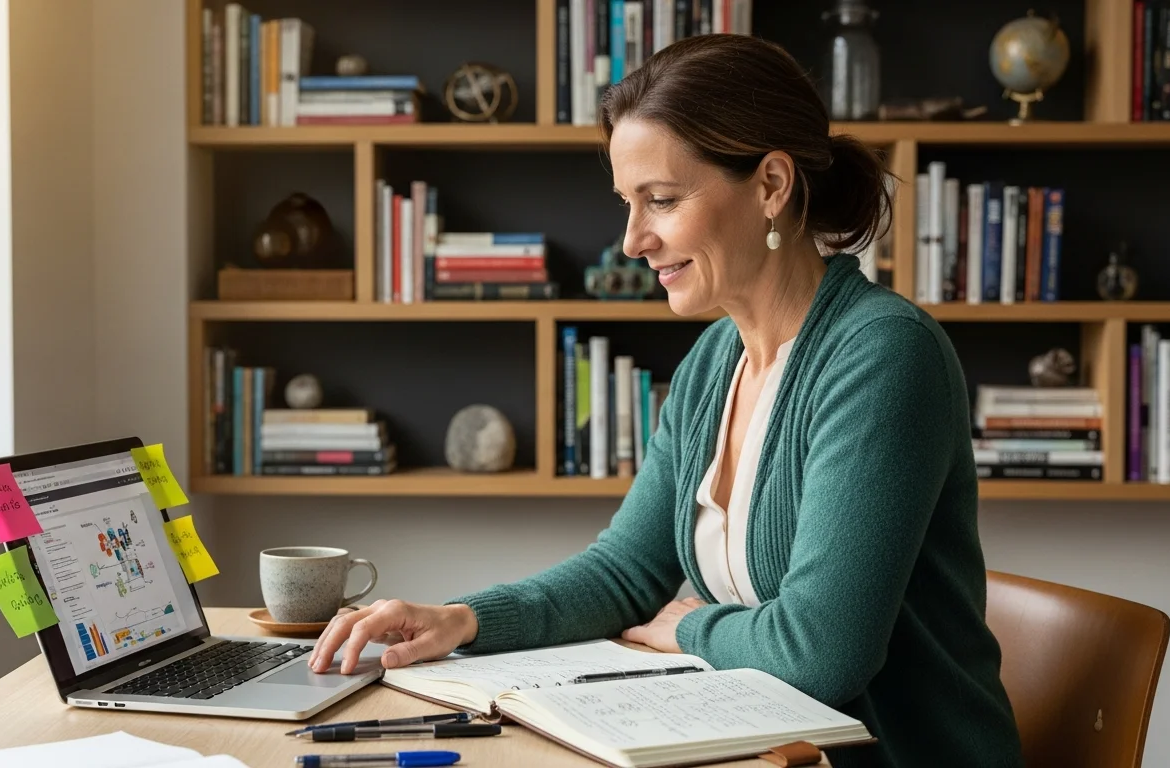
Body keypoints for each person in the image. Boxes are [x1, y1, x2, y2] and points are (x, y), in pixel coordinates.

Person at [307, 34, 1023, 768]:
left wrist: (688, 628)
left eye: (662, 200)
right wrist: (463, 620)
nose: (632, 240)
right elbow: (626, 572)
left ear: (771, 185)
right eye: (628, 203)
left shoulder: (882, 355)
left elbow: (820, 654)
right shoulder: (714, 361)